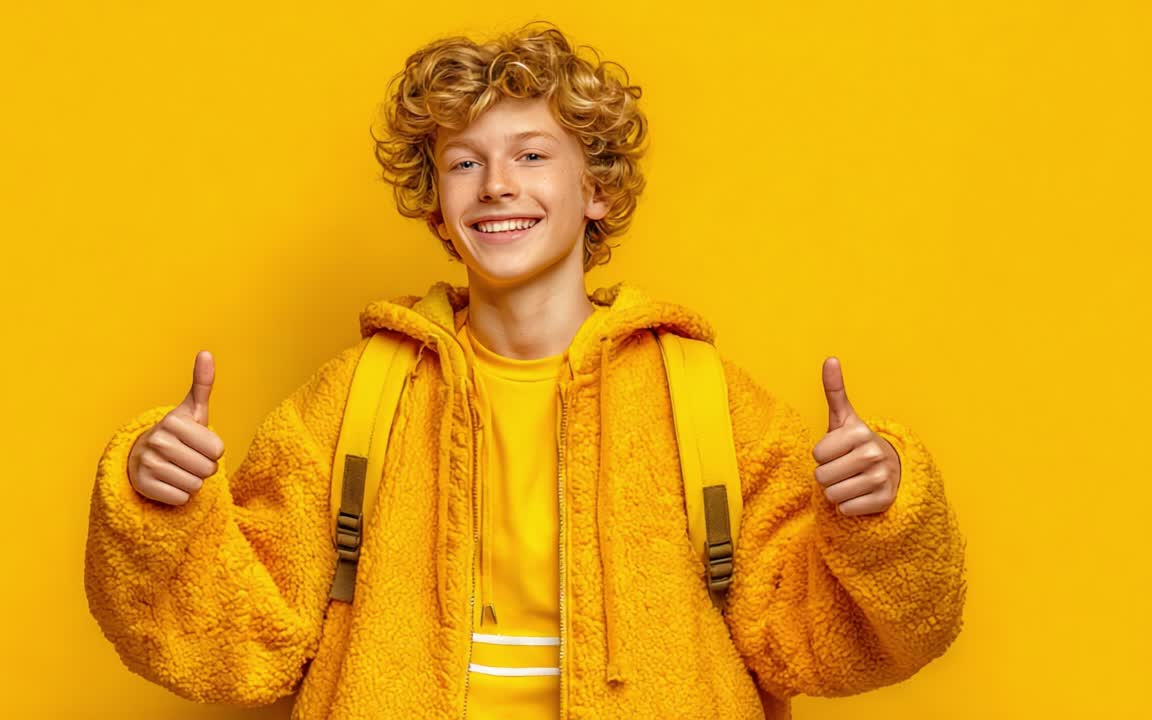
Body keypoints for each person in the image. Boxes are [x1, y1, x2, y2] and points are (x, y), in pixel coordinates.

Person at [84, 20, 967, 720]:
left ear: (600, 192)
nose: (496, 184)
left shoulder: (706, 402)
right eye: (463, 163)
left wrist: (881, 517)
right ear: (438, 210)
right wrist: (158, 503)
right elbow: (239, 643)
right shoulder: (356, 400)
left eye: (533, 155)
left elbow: (824, 643)